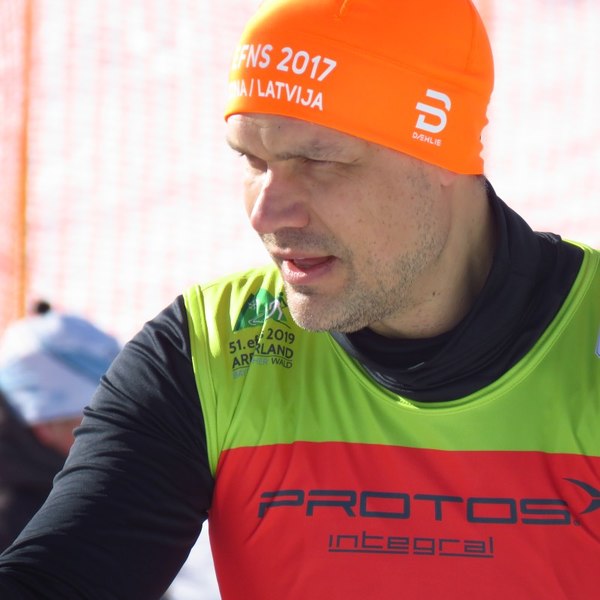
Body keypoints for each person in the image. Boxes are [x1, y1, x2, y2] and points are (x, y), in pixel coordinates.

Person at [0, 0, 598, 598]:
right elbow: (60, 576)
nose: (266, 213)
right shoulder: (210, 349)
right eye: (251, 159)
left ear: (440, 146)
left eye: (317, 160)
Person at [0, 301, 121, 551]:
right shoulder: (18, 517)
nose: (112, 434)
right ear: (43, 424)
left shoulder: (63, 479)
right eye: (94, 420)